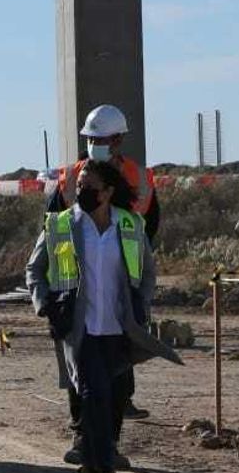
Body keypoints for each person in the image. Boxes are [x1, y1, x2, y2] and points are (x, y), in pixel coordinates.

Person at [27, 159, 161, 473]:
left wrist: (142, 307)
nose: (81, 192)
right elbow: (35, 269)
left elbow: (147, 274)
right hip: (79, 328)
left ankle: (98, 459)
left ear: (108, 192)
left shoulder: (130, 224)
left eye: (90, 187)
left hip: (118, 327)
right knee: (92, 393)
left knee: (112, 397)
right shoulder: (60, 224)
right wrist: (44, 305)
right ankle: (99, 466)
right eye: (79, 186)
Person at [48, 103, 160, 454]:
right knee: (79, 369)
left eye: (101, 138)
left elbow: (149, 230)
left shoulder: (139, 178)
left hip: (121, 288)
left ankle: (108, 441)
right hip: (76, 285)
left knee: (119, 372)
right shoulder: (70, 177)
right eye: (90, 138)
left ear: (118, 140)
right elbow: (52, 228)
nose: (94, 144)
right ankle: (82, 436)